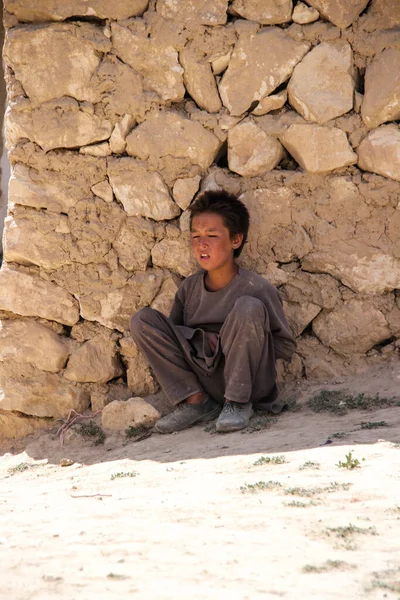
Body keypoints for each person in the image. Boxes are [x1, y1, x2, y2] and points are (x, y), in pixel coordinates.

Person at [130, 189, 296, 434]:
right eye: (195, 236)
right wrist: (201, 340)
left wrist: (237, 341)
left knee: (248, 308)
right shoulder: (189, 289)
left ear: (235, 240)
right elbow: (176, 337)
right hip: (205, 378)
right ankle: (196, 403)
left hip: (249, 382)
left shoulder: (256, 288)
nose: (202, 244)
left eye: (212, 235)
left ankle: (238, 404)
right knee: (142, 320)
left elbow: (285, 346)